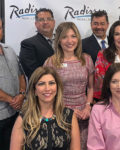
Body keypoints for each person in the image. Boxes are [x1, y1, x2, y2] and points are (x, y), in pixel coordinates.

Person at [44, 22, 94, 150]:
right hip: (60, 115)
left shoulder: (87, 59)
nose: (70, 41)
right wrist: (67, 111)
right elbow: (48, 93)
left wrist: (88, 107)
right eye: (65, 37)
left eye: (73, 36)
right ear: (59, 40)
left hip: (84, 115)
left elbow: (90, 87)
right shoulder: (51, 62)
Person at [10, 67, 80, 150]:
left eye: (51, 83)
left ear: (57, 88)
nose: (47, 88)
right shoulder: (23, 120)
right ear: (34, 90)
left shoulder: (69, 116)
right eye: (41, 84)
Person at [0, 18, 26, 150]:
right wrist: (12, 100)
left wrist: (21, 94)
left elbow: (21, 74)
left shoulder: (9, 49)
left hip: (15, 113)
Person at [19, 8, 55, 79]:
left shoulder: (63, 41)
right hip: (43, 87)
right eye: (41, 20)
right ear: (36, 24)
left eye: (48, 19)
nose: (45, 22)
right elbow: (32, 72)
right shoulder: (27, 44)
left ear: (53, 22)